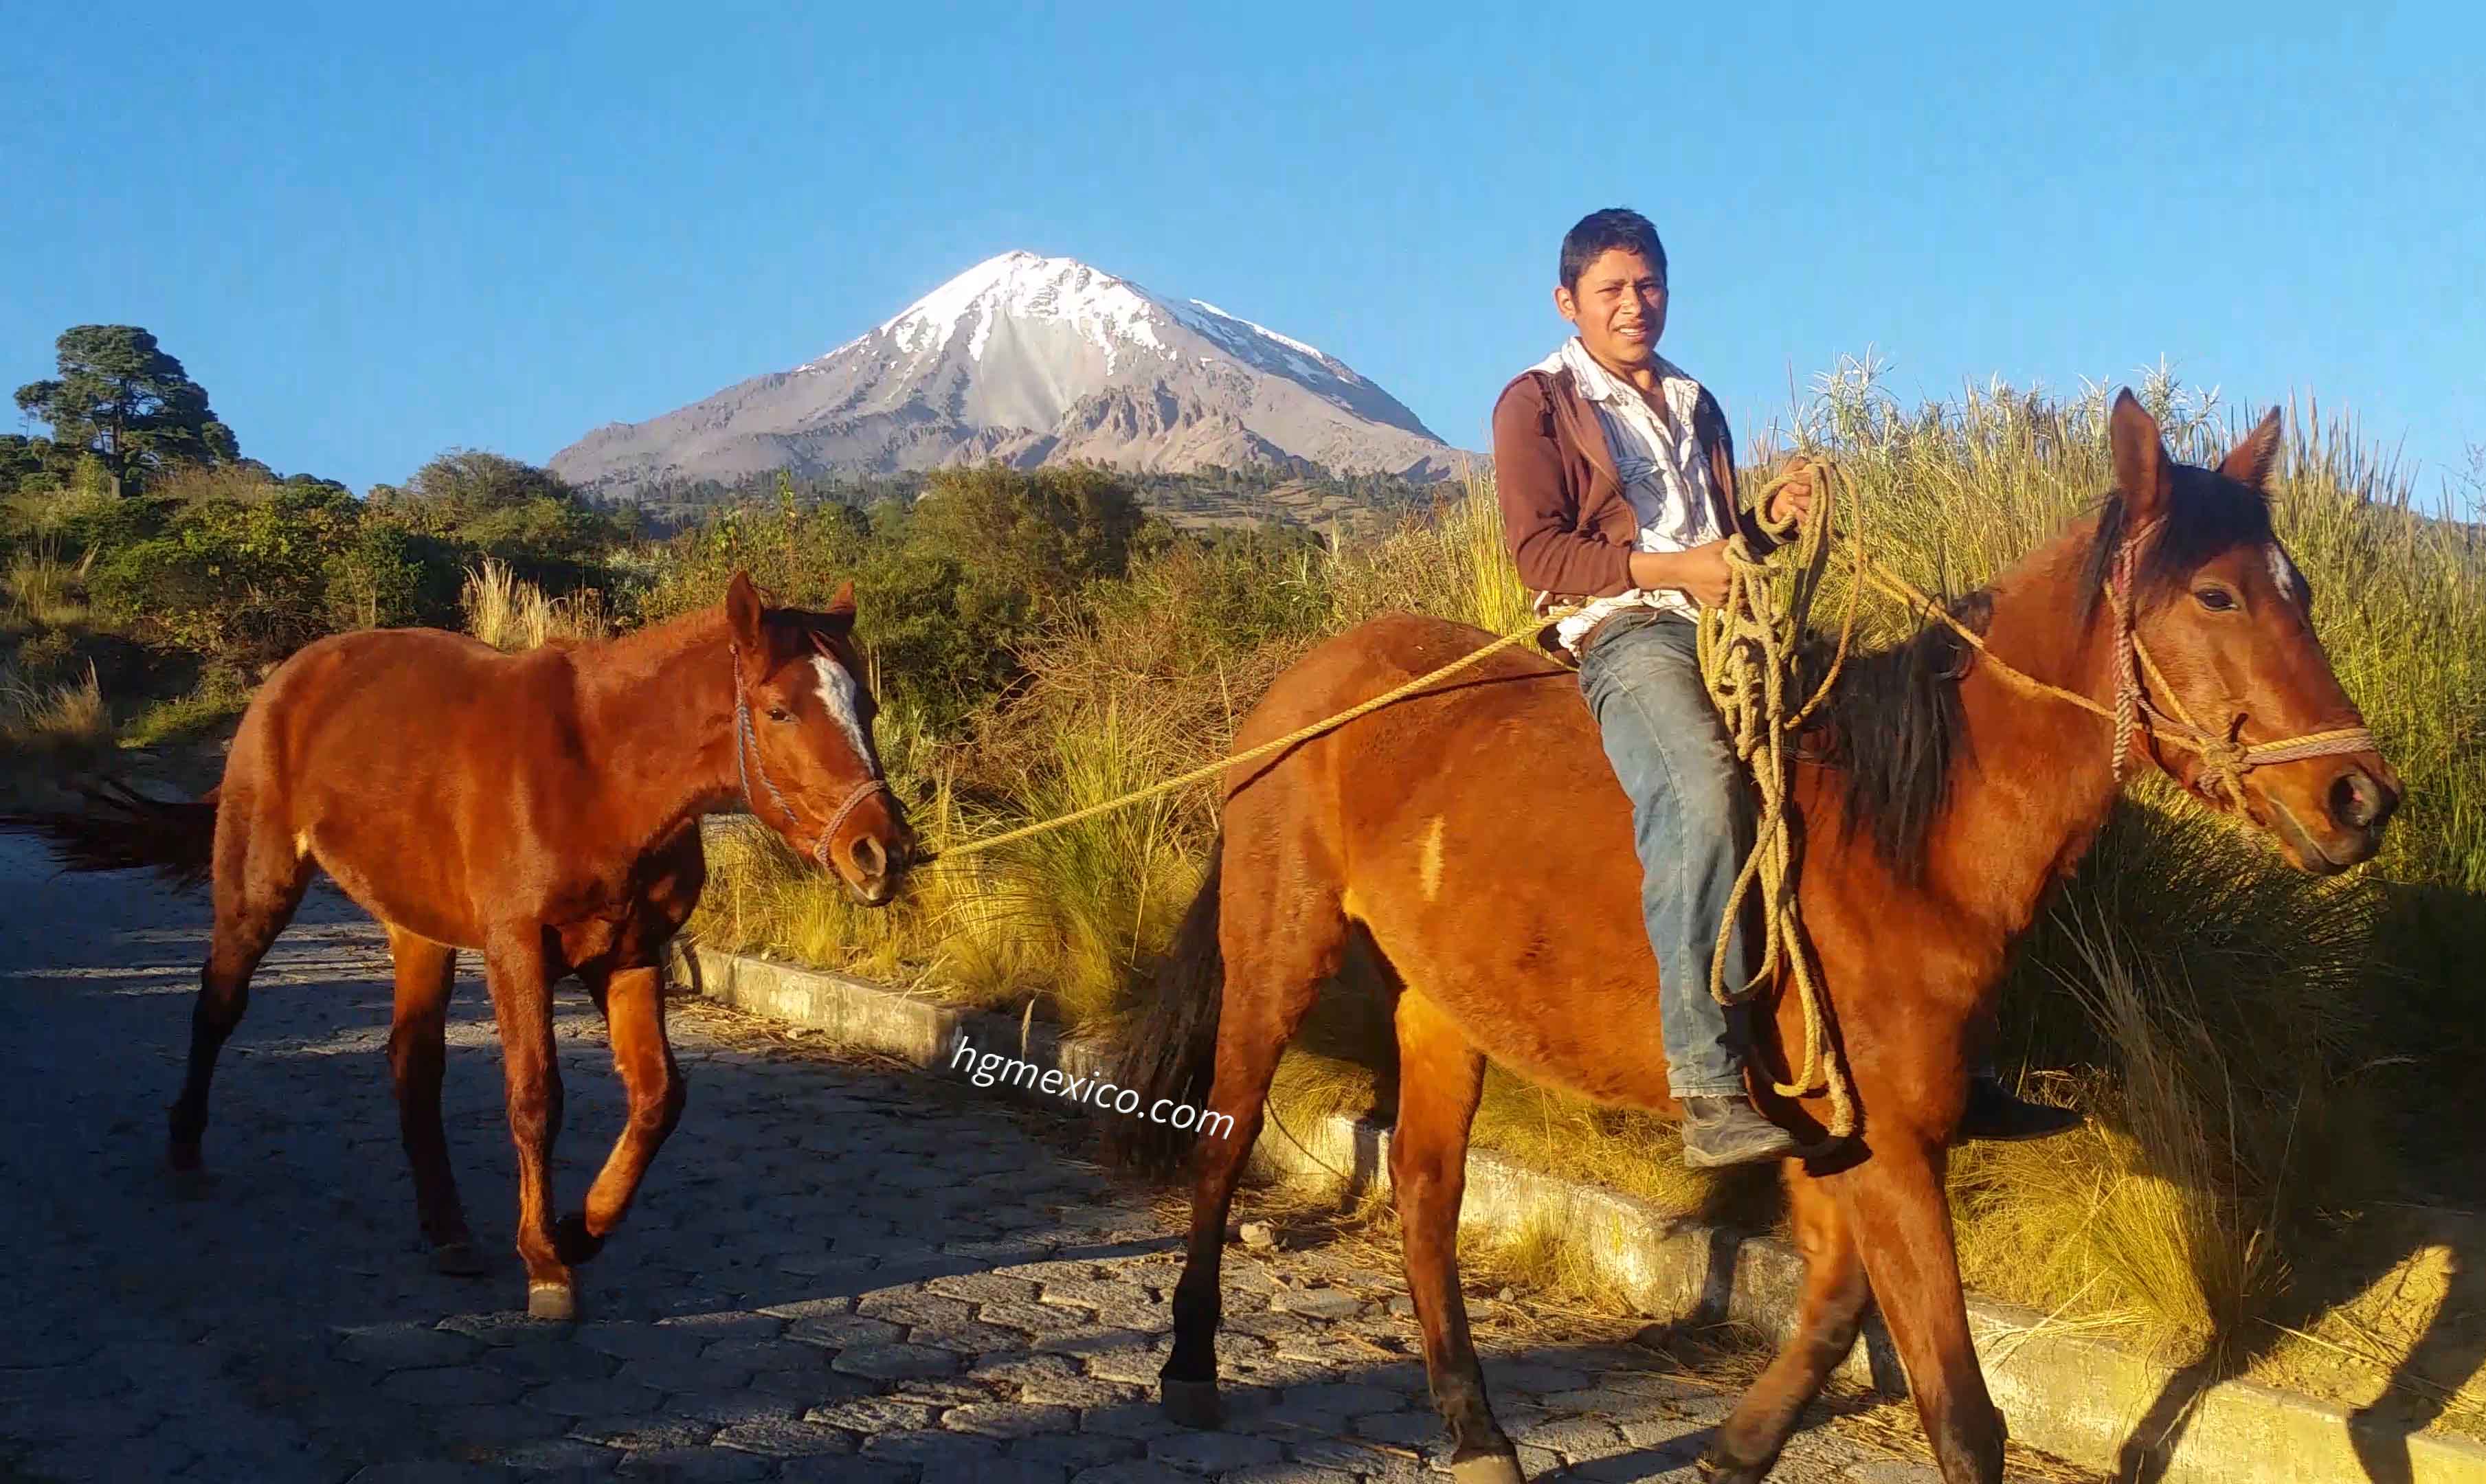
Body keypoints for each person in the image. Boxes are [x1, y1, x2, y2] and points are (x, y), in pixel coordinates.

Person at [1491, 207, 2082, 1167]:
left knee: (1889, 779)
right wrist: (1683, 573)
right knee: (1703, 796)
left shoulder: (1694, 402)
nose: (1633, 306)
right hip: (1625, 633)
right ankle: (1706, 1078)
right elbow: (1539, 552)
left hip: (1734, 629)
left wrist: (1767, 520)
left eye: (1648, 286)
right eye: (1610, 291)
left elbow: (1727, 547)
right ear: (1568, 302)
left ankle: (1946, 1054)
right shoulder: (1536, 403)